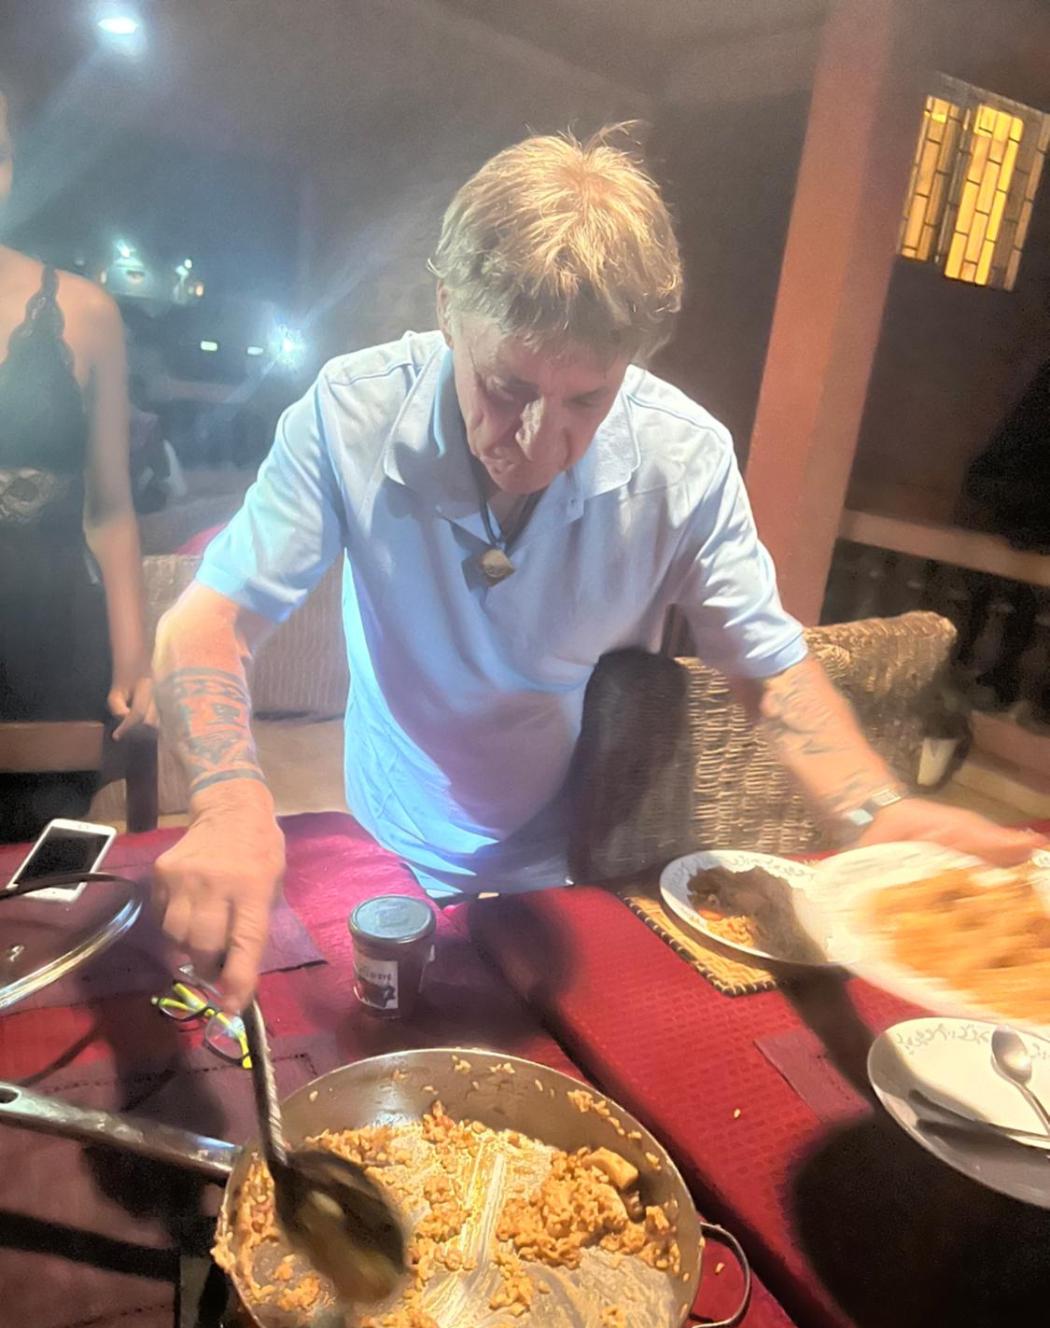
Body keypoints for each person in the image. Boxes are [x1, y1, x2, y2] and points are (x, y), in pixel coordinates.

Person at [153, 130, 1038, 1011]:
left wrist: (872, 810)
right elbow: (209, 620)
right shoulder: (351, 413)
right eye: (507, 388)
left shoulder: (682, 461)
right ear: (448, 309)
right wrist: (229, 802)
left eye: (586, 398)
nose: (541, 442)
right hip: (385, 830)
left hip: (575, 852)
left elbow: (766, 669)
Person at [0, 87, 153, 840]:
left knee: (45, 879)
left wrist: (135, 657)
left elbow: (111, 508)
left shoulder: (85, 314)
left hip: (48, 646)